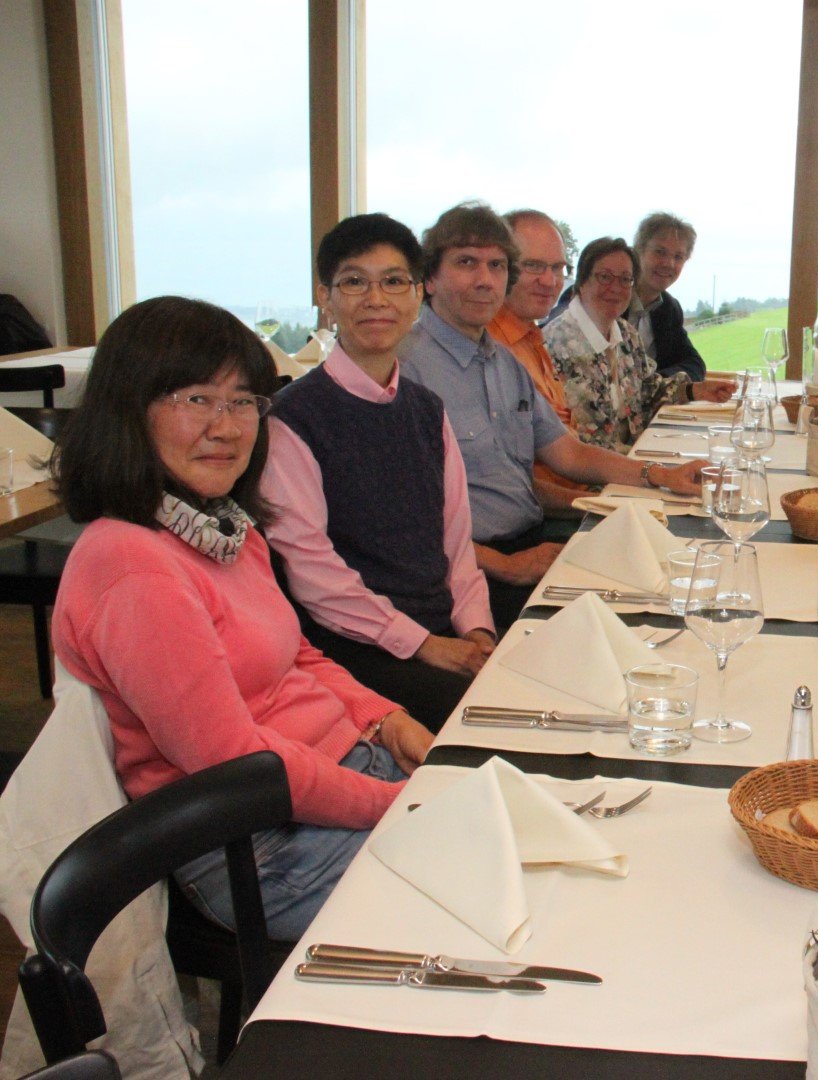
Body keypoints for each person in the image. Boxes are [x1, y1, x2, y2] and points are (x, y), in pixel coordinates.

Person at [49, 296, 432, 939]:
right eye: (196, 399)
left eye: (243, 401)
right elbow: (232, 762)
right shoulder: (133, 565)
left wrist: (386, 720)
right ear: (127, 411)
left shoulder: (219, 526)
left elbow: (297, 656)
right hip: (259, 844)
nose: (226, 427)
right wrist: (391, 804)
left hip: (338, 777)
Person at [398, 203, 706, 630]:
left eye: (497, 265)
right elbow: (406, 521)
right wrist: (507, 566)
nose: (485, 279)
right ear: (429, 278)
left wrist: (661, 475)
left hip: (531, 541)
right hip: (470, 574)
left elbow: (569, 453)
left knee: (681, 581)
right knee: (645, 618)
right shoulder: (404, 370)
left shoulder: (502, 361)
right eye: (467, 263)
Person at [262, 212, 495, 731]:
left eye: (393, 281)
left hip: (439, 631)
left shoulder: (426, 409)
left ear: (418, 293)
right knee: (488, 719)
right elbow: (313, 574)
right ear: (325, 297)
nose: (376, 299)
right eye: (354, 282)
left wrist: (478, 632)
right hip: (353, 647)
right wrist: (424, 644)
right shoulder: (293, 419)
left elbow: (456, 544)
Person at [543, 235, 732, 452]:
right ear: (581, 283)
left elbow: (646, 392)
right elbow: (566, 444)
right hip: (591, 468)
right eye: (605, 277)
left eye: (625, 279)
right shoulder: (554, 345)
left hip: (632, 457)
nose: (616, 288)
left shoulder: (626, 334)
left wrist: (695, 390)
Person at [487, 208, 590, 498]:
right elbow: (505, 484)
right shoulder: (489, 347)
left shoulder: (532, 335)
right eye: (533, 266)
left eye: (557, 268)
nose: (549, 281)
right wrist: (597, 504)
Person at [631, 211, 706, 380]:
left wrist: (654, 382)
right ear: (639, 251)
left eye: (678, 257)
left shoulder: (669, 309)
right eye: (660, 252)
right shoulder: (610, 298)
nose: (668, 264)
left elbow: (695, 365)